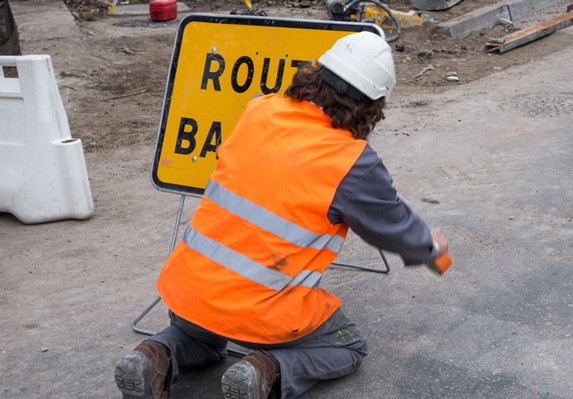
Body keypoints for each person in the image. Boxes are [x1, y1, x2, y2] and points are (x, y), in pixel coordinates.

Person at [114, 31, 450, 399]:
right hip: (263, 312)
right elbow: (394, 227)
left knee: (203, 338)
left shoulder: (260, 109)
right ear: (373, 106)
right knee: (347, 345)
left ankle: (155, 354)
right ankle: (268, 370)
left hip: (188, 291)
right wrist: (431, 249)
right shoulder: (351, 162)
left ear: (316, 75)